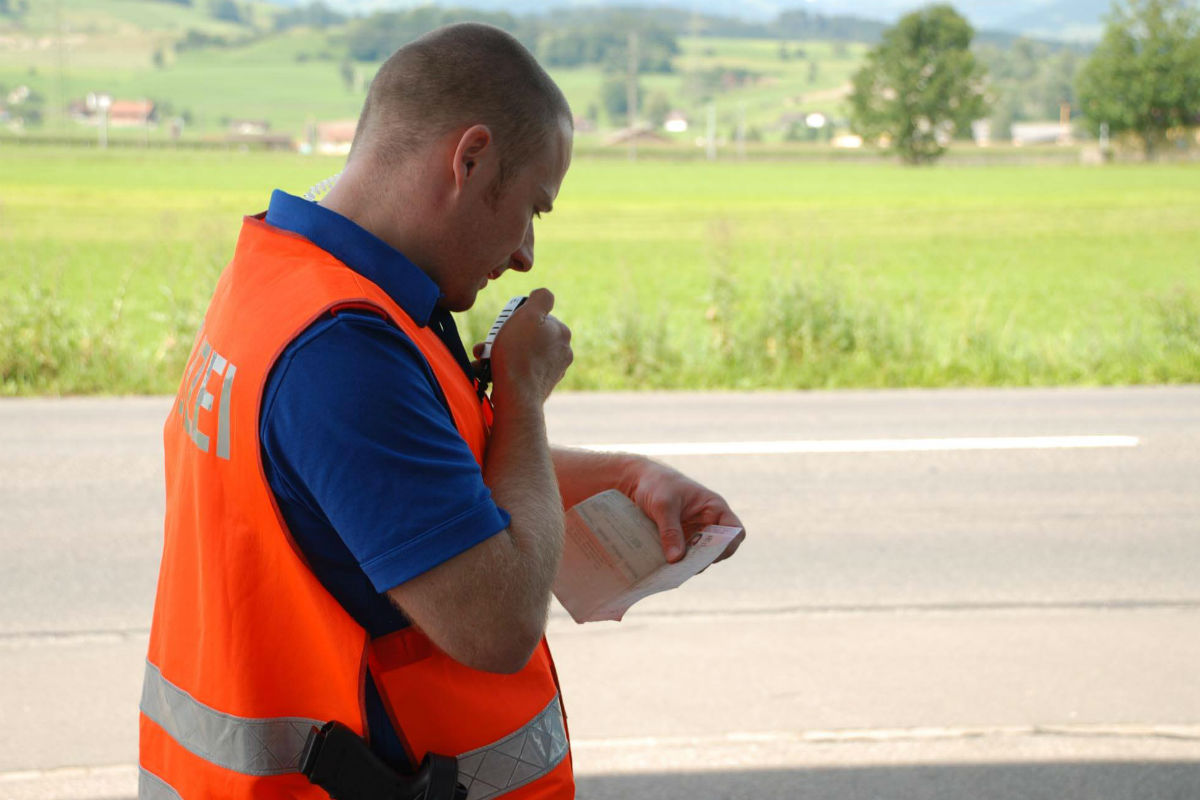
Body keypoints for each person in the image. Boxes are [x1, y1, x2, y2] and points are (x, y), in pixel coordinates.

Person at [139, 22, 744, 800]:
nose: (527, 251)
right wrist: (522, 396)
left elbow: (399, 480)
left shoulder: (291, 278)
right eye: (533, 208)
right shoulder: (343, 354)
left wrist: (622, 478)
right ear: (470, 158)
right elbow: (496, 625)